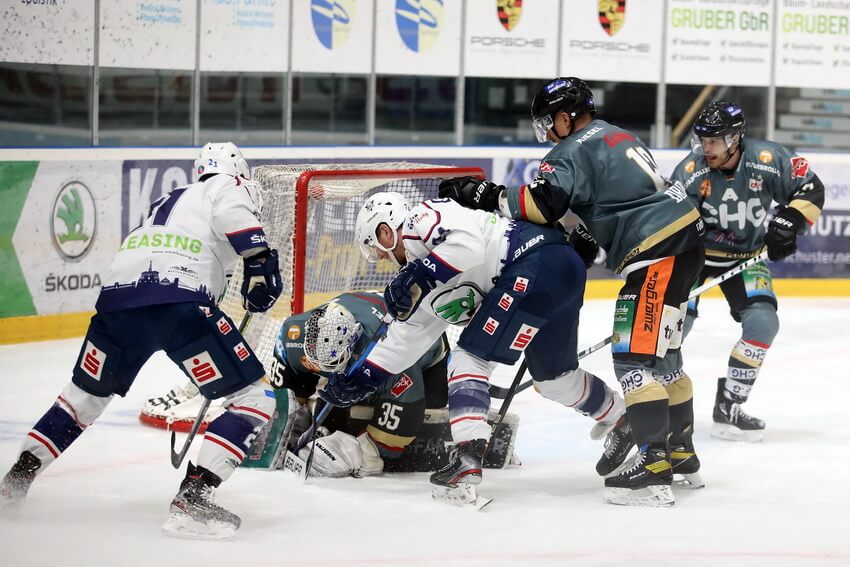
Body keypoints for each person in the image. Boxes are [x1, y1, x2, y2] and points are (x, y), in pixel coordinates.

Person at [437, 77, 706, 507]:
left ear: (567, 116)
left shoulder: (571, 148)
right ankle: (682, 453)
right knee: (665, 361)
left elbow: (543, 204)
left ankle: (656, 465)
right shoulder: (617, 135)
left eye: (550, 122)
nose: (548, 132)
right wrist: (585, 235)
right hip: (681, 244)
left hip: (656, 252)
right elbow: (616, 202)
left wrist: (487, 194)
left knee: (634, 361)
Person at [0, 142, 283, 540]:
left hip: (116, 302)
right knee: (255, 398)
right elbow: (231, 214)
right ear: (236, 170)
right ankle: (194, 497)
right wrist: (258, 258)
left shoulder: (169, 198)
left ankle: (15, 482)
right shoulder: (226, 186)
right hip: (178, 300)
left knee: (83, 397)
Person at [322, 190, 630, 502]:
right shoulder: (422, 287)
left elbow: (467, 247)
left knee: (468, 359)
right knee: (555, 380)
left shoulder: (422, 219)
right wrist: (359, 379)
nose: (385, 259)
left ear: (385, 231)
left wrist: (420, 272)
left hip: (532, 262)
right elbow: (405, 339)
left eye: (378, 250)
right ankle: (621, 416)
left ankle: (467, 458)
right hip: (555, 273)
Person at [669, 101, 825, 442]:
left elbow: (811, 189)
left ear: (736, 138)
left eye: (714, 140)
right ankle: (662, 403)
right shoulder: (691, 170)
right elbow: (670, 220)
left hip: (745, 257)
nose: (705, 148)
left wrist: (791, 221)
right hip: (694, 255)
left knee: (764, 322)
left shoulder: (768, 160)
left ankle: (730, 405)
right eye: (702, 140)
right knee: (674, 328)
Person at [268, 291, 457, 477]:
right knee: (333, 399)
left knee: (433, 402)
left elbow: (408, 406)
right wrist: (288, 421)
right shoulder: (293, 334)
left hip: (426, 357)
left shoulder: (389, 350)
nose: (321, 369)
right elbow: (284, 398)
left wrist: (362, 452)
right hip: (366, 318)